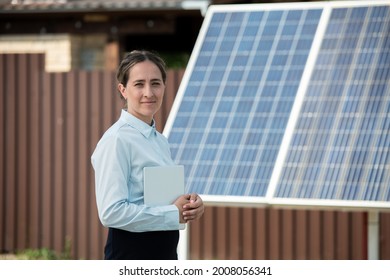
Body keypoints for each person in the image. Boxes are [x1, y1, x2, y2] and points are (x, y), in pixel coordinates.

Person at [91, 50, 204, 260]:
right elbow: (111, 212)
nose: (149, 93)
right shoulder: (117, 140)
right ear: (123, 90)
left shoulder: (160, 140)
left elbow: (155, 200)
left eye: (155, 83)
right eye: (139, 84)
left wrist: (188, 206)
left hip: (164, 255)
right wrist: (172, 213)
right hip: (131, 257)